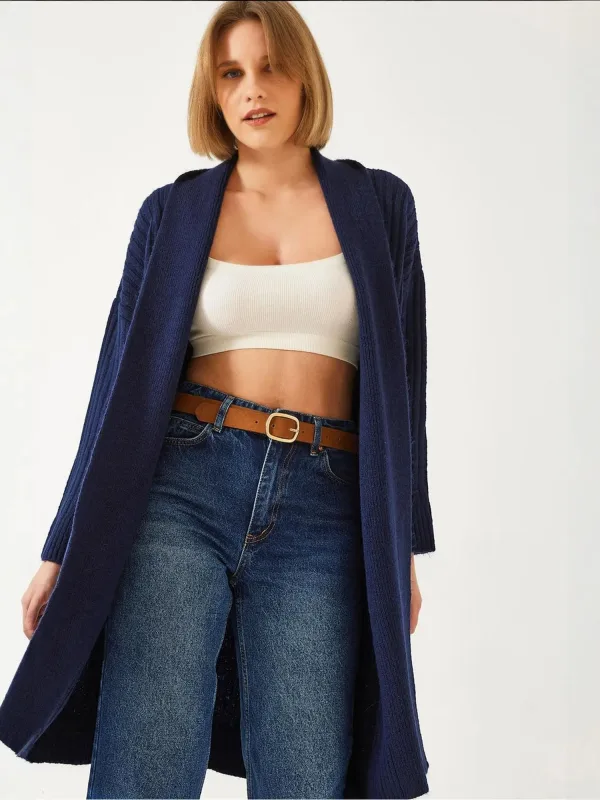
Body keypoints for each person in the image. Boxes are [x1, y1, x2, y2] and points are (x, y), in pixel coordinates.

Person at [15, 2, 431, 798]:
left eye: (271, 67)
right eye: (231, 73)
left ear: (305, 76)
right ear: (212, 91)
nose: (252, 90)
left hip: (326, 504)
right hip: (182, 489)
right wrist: (63, 545)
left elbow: (404, 386)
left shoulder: (380, 206)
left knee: (306, 771)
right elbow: (114, 388)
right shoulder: (171, 213)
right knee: (148, 755)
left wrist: (402, 544)